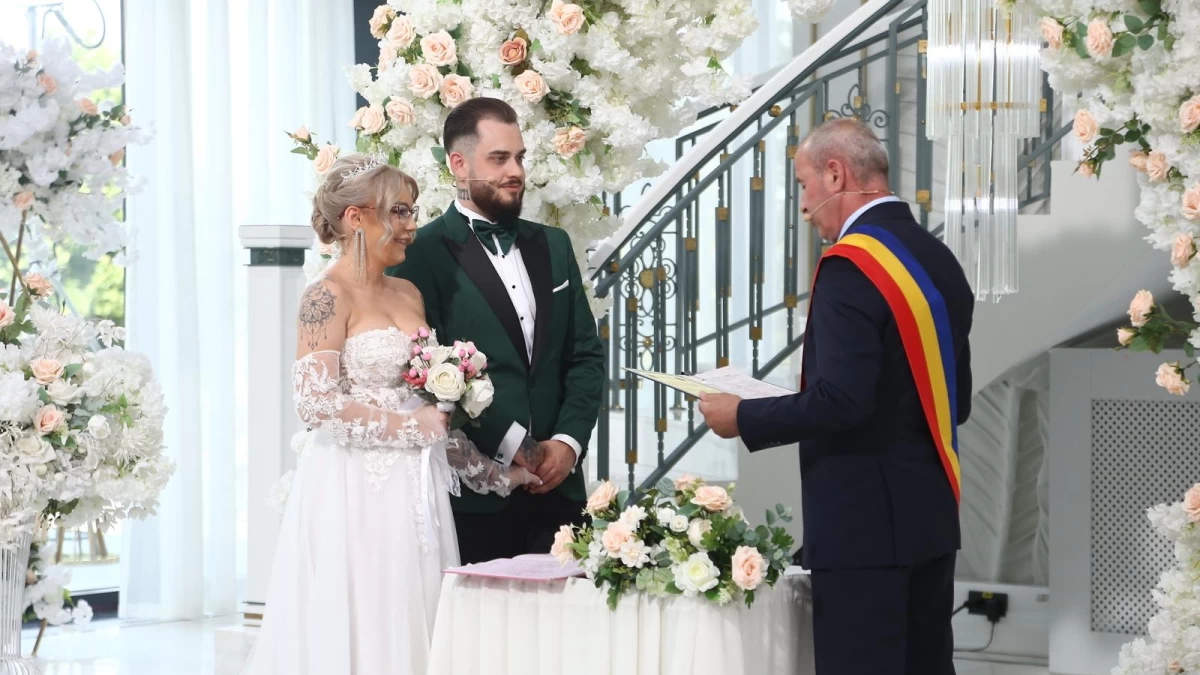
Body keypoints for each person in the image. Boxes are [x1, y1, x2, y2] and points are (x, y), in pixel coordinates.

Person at [697, 118, 974, 675]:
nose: (804, 206)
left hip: (864, 530)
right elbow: (957, 400)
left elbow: (844, 400)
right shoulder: (936, 256)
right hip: (931, 517)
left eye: (804, 185)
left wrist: (744, 415)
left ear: (835, 173)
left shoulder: (851, 265)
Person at [244, 154, 539, 675]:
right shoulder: (325, 296)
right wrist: (409, 428)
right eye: (399, 212)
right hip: (354, 488)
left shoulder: (408, 293)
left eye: (412, 211)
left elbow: (427, 410)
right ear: (356, 218)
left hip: (418, 490)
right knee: (365, 615)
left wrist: (496, 475)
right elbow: (314, 402)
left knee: (414, 612)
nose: (411, 225)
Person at [390, 98, 605, 564]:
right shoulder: (421, 254)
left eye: (520, 158)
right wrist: (513, 446)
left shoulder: (554, 245)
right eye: (499, 158)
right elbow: (423, 375)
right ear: (459, 165)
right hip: (477, 497)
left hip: (560, 491)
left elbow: (584, 356)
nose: (516, 172)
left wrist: (567, 443)